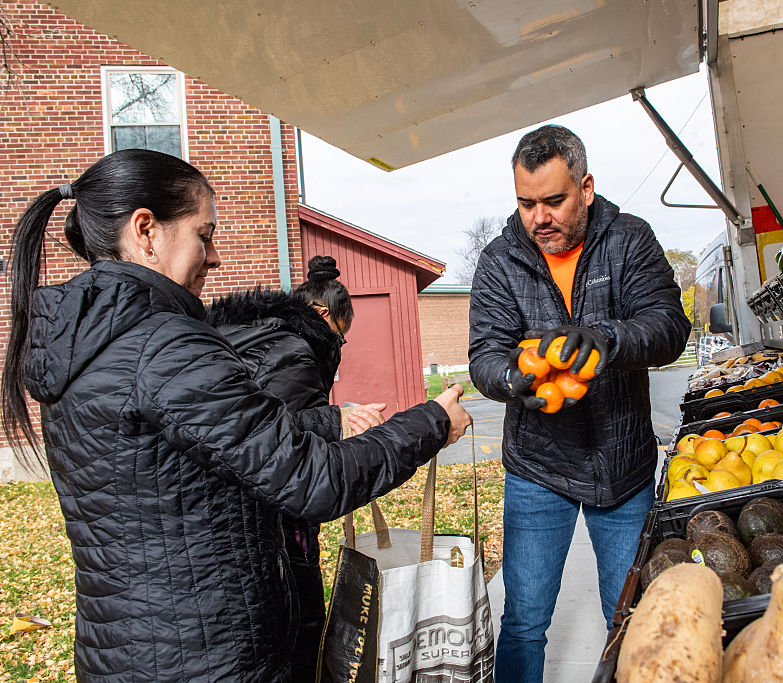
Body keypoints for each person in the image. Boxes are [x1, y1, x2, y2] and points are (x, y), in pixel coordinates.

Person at [0, 149, 472, 682]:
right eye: (204, 235)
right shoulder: (165, 346)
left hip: (124, 652)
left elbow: (195, 445)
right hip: (207, 658)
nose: (216, 256)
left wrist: (329, 421)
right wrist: (432, 423)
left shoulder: (87, 343)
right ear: (146, 231)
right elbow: (313, 481)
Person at [468, 125, 691, 680]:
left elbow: (668, 326)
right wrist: (511, 377)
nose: (538, 217)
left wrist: (608, 339)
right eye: (525, 203)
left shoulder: (630, 239)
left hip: (624, 465)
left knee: (629, 616)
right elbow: (484, 355)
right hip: (537, 470)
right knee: (522, 621)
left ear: (586, 188)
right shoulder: (499, 262)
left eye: (553, 201)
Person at [206, 255, 383, 681]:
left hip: (222, 525)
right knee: (300, 630)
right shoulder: (294, 351)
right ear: (323, 315)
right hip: (281, 527)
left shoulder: (242, 333)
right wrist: (337, 421)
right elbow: (284, 447)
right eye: (341, 338)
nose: (338, 348)